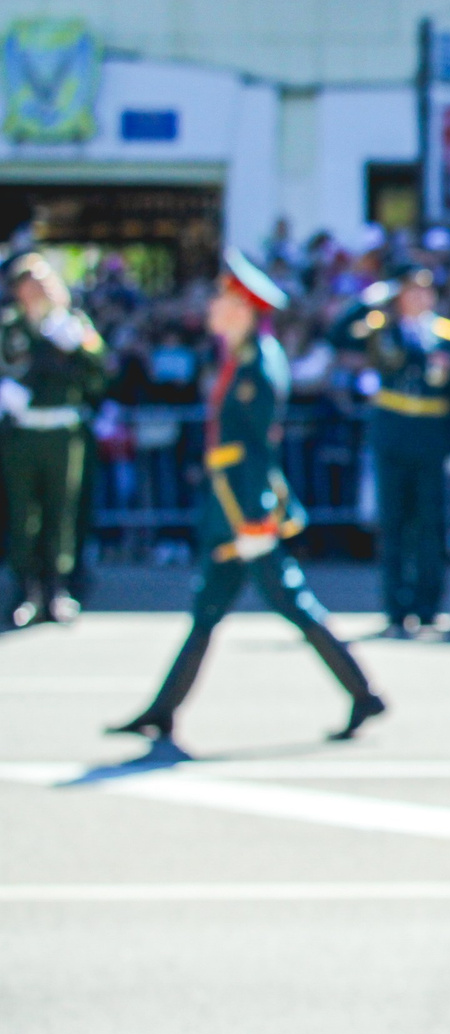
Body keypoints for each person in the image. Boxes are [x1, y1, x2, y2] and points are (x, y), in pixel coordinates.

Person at [112, 253, 386, 744]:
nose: (212, 307)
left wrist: (255, 517)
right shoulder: (240, 357)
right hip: (230, 508)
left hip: (245, 511)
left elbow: (257, 449)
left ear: (241, 308)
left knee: (292, 602)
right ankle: (163, 709)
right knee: (207, 609)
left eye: (222, 299)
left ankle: (363, 693)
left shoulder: (257, 363)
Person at [329, 262, 450, 637]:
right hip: (392, 435)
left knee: (430, 525)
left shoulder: (448, 334)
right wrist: (368, 299)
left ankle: (428, 606)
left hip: (431, 437)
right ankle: (396, 607)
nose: (419, 298)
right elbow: (338, 334)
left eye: (425, 291)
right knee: (393, 524)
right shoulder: (381, 327)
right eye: (410, 291)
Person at [1, 251, 110, 625]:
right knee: (22, 513)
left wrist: (79, 346)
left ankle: (58, 589)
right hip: (22, 431)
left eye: (42, 281)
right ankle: (25, 590)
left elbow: (101, 371)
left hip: (63, 431)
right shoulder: (10, 326)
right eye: (27, 283)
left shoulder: (73, 324)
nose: (36, 289)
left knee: (62, 511)